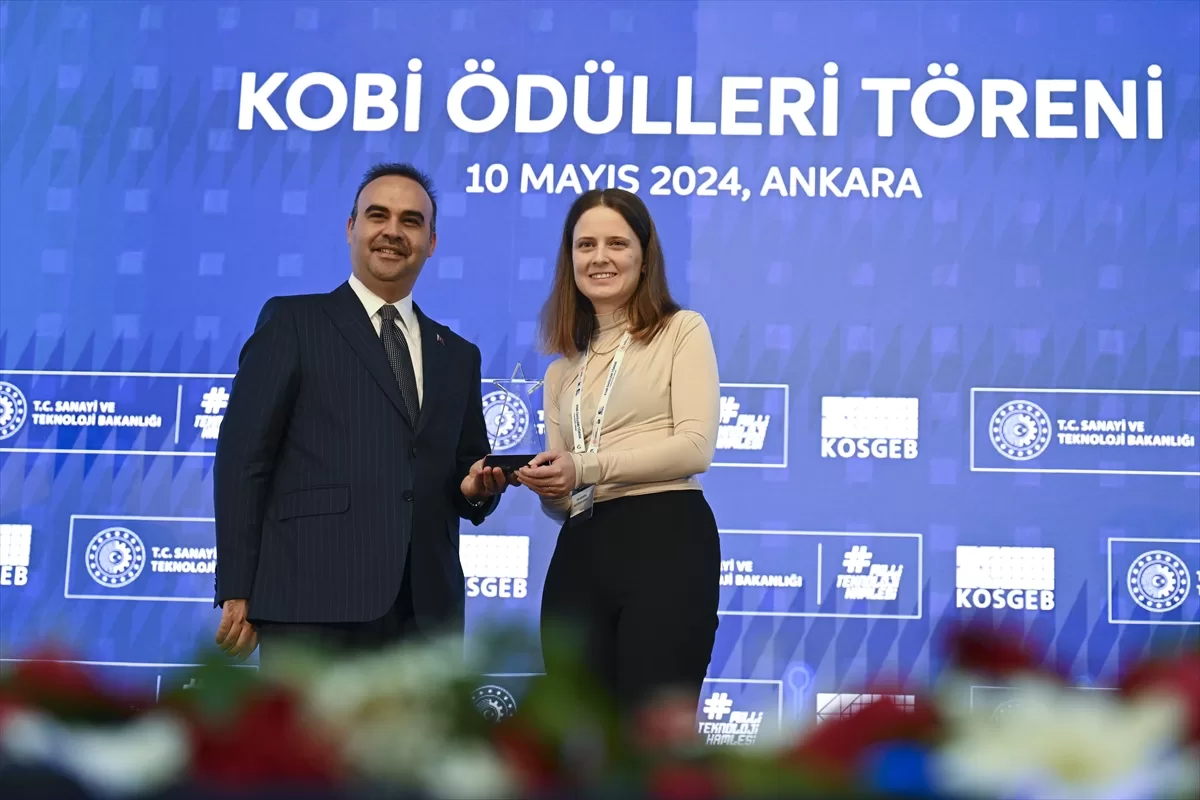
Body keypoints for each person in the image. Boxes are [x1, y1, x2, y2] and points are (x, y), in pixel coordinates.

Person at [213, 162, 513, 662]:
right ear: (351, 228)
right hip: (311, 603)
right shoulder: (293, 322)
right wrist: (238, 587)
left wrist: (477, 489)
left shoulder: (459, 355)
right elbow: (244, 459)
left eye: (411, 221)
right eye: (378, 215)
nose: (393, 231)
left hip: (425, 615)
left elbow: (466, 473)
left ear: (431, 242)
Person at [516, 188, 722, 715]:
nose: (599, 257)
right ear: (570, 260)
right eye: (585, 245)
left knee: (654, 734)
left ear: (644, 256)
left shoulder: (682, 330)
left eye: (617, 243)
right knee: (579, 735)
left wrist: (585, 466)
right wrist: (548, 486)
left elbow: (695, 448)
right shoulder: (560, 369)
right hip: (580, 548)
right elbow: (566, 496)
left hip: (666, 539)